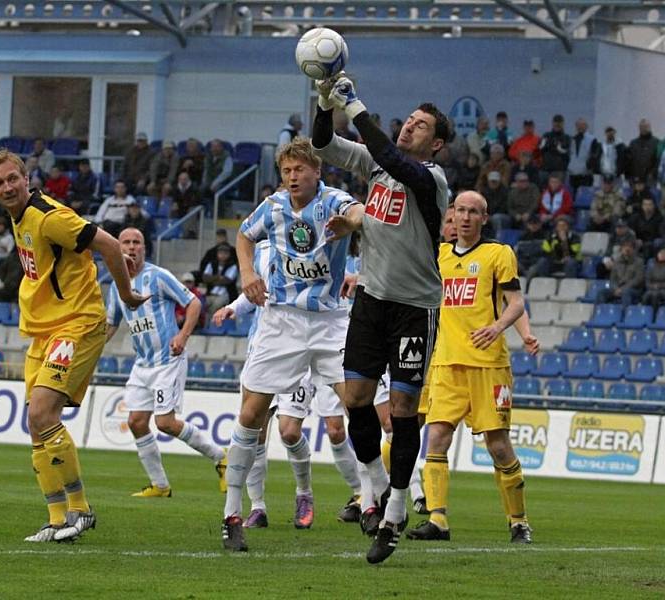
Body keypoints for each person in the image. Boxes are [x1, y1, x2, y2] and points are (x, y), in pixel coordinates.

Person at [313, 75, 450, 564]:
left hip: (415, 307)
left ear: (435, 143)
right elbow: (323, 144)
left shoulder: (430, 179)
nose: (409, 127)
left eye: (420, 125)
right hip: (371, 299)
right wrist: (324, 100)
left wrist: (353, 103)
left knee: (406, 410)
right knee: (356, 399)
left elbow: (394, 160)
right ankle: (373, 487)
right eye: (408, 120)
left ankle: (396, 505)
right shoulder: (375, 162)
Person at [0, 149, 147, 543]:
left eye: (12, 179)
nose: (7, 187)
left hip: (76, 324)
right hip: (44, 329)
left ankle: (81, 510)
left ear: (26, 178)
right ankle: (58, 519)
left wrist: (127, 293)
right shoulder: (18, 217)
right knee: (36, 424)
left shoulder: (49, 217)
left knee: (43, 412)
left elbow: (107, 245)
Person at [220, 138, 359, 552]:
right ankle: (233, 513)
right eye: (286, 171)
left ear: (317, 170)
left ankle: (373, 499)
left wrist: (352, 224)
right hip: (281, 320)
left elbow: (361, 214)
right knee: (253, 414)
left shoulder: (334, 201)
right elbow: (244, 236)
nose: (293, 177)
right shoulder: (273, 207)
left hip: (330, 321)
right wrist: (246, 273)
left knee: (357, 404)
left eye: (299, 169)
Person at [407, 191, 536, 545]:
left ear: (484, 217)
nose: (465, 217)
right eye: (460, 210)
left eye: (473, 212)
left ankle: (518, 520)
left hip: (488, 365)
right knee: (436, 437)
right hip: (447, 363)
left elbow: (516, 303)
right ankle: (437, 519)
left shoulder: (498, 254)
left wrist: (497, 327)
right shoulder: (439, 255)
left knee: (497, 446)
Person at [212, 239, 364, 529]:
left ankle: (304, 494)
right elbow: (255, 291)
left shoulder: (316, 240)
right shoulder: (264, 247)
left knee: (290, 432)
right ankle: (257, 506)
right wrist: (233, 307)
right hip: (262, 347)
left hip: (300, 346)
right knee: (254, 430)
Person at [105, 228, 226, 497]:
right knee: (136, 422)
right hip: (142, 364)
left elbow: (194, 303)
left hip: (167, 360)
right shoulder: (117, 285)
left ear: (145, 248)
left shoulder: (158, 276)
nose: (132, 247)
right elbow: (111, 324)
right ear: (117, 248)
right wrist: (90, 347)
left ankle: (222, 457)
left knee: (165, 423)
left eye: (137, 242)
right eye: (126, 242)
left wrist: (183, 335)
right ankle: (160, 485)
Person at [596, 239, 644, 307]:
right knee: (601, 293)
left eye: (630, 247)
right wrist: (616, 289)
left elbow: (637, 280)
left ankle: (625, 315)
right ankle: (601, 314)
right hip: (617, 288)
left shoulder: (639, 262)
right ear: (621, 248)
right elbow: (612, 279)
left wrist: (623, 289)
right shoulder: (617, 261)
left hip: (633, 290)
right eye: (625, 246)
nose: (627, 249)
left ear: (633, 249)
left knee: (626, 293)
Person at [202, 243, 238, 315]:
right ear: (217, 254)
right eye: (221, 253)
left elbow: (227, 281)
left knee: (215, 306)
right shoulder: (211, 264)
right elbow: (205, 278)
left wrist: (212, 280)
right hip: (210, 294)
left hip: (225, 295)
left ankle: (211, 324)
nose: (223, 255)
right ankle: (204, 324)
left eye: (225, 253)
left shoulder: (232, 265)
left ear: (229, 254)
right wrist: (218, 277)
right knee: (201, 304)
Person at [642, 244, 665, 314]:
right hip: (653, 289)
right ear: (657, 254)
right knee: (646, 295)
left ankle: (655, 315)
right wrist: (652, 287)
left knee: (655, 295)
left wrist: (660, 286)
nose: (663, 255)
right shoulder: (652, 266)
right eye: (661, 253)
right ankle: (645, 315)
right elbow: (647, 281)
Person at [567, 118, 601, 193]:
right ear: (576, 127)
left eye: (582, 125)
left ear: (586, 126)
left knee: (584, 199)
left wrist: (587, 167)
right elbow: (569, 155)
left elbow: (595, 156)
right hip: (573, 175)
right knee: (572, 200)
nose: (580, 127)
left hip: (585, 176)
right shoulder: (572, 139)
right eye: (578, 125)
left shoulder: (592, 139)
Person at [539, 114, 571, 182]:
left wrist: (558, 148)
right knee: (543, 190)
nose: (557, 124)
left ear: (563, 123)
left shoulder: (567, 138)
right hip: (545, 169)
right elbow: (540, 148)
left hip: (559, 171)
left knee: (556, 190)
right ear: (552, 123)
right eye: (555, 122)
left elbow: (568, 153)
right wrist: (547, 145)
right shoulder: (546, 135)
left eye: (559, 122)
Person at [627, 119, 659, 186]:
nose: (643, 129)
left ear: (650, 127)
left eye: (646, 126)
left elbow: (659, 161)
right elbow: (628, 161)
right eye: (641, 127)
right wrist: (629, 177)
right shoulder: (633, 143)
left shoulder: (657, 142)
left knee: (649, 196)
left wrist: (653, 173)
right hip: (636, 179)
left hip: (650, 180)